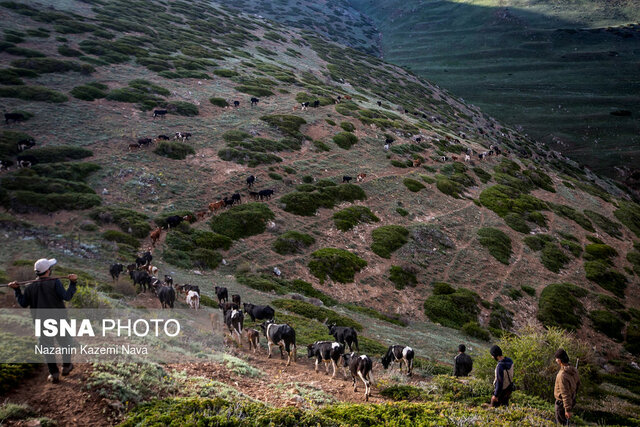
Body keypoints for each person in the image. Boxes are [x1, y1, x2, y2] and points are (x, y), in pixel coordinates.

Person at [9, 258, 78, 384]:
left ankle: (54, 373)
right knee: (65, 343)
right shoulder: (55, 282)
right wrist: (73, 283)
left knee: (47, 348)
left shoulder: (30, 287)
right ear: (48, 270)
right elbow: (67, 297)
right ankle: (66, 367)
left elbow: (23, 303)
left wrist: (17, 290)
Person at [554, 348, 580, 425]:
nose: (555, 360)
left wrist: (567, 410)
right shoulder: (574, 370)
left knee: (561, 424)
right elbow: (578, 385)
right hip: (571, 401)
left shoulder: (562, 375)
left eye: (556, 359)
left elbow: (565, 394)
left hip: (562, 404)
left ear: (560, 360)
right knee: (565, 423)